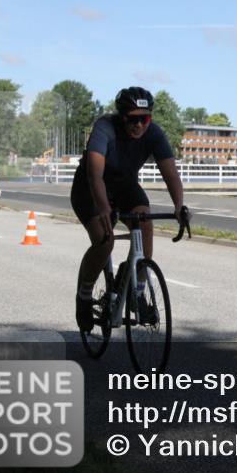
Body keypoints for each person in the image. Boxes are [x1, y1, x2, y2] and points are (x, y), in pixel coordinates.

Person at [71, 87, 187, 332]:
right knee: (105, 241)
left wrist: (179, 206)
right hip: (90, 188)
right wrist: (103, 208)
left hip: (124, 186)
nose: (138, 125)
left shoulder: (154, 133)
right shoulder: (105, 128)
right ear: (121, 116)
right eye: (132, 119)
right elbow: (94, 174)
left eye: (144, 119)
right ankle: (83, 297)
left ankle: (138, 291)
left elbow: (170, 173)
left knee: (145, 224)